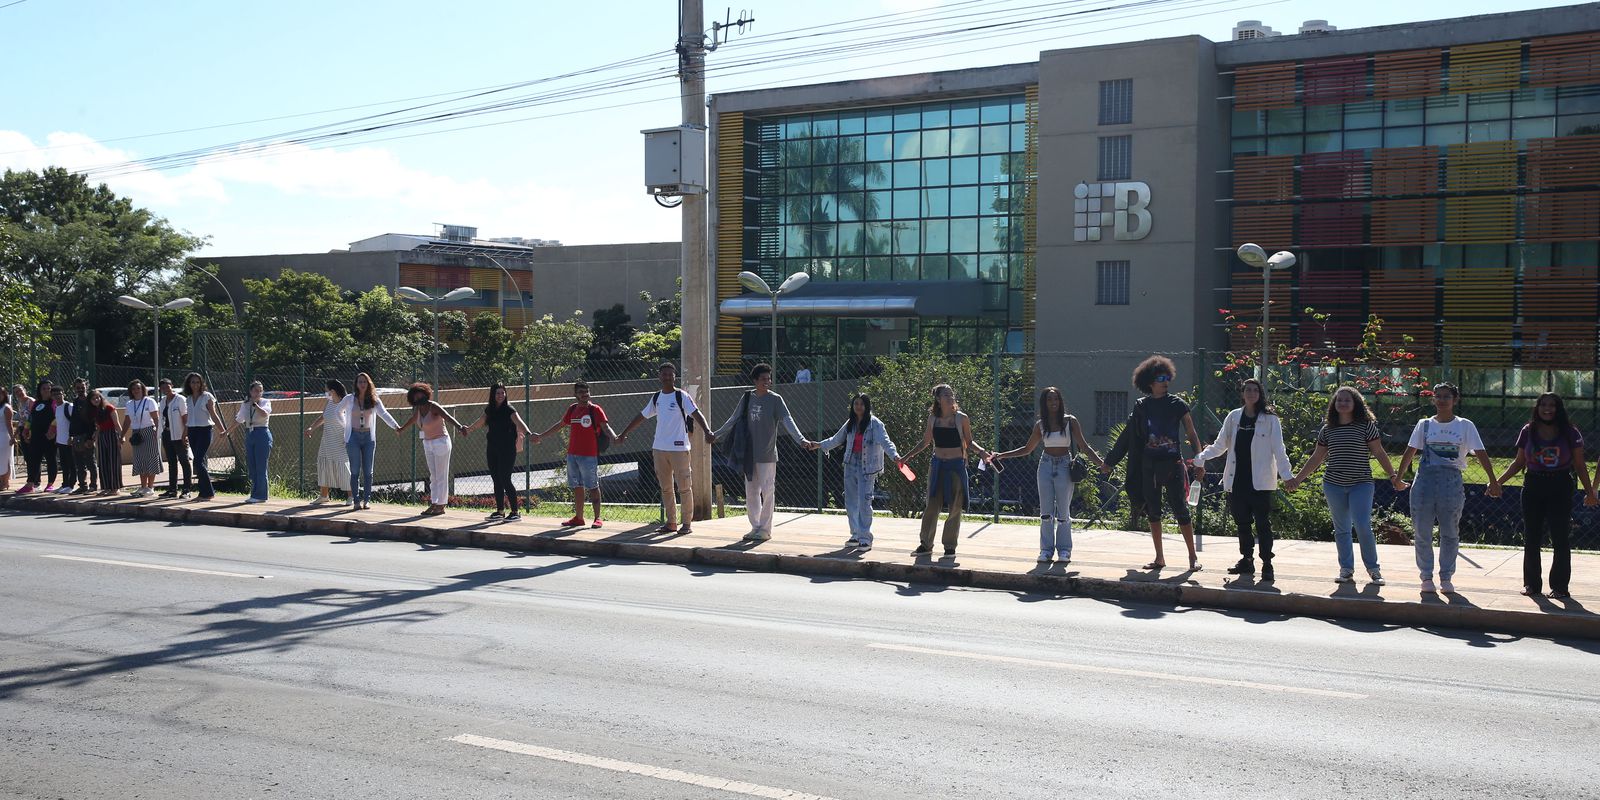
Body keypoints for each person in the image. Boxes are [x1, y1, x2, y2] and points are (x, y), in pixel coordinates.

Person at [1286, 387, 1403, 585]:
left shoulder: (1366, 426)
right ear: (1334, 404)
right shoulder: (1327, 429)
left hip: (1361, 483)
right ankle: (1346, 569)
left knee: (1362, 524)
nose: (1342, 403)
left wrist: (1393, 476)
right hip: (1333, 484)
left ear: (1355, 403)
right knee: (1342, 529)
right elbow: (1317, 457)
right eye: (1339, 400)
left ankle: (1374, 570)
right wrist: (1298, 478)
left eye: (1347, 400)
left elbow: (1379, 452)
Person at [1393, 383, 1499, 594]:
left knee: (1450, 531)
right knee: (1422, 531)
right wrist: (1399, 477)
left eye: (1446, 396)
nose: (1442, 400)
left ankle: (1446, 576)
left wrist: (1493, 480)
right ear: (1433, 399)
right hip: (1424, 482)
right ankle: (1426, 576)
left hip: (1451, 482)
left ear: (1455, 400)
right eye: (1438, 396)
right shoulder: (1424, 425)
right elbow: (1410, 450)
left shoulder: (1465, 425)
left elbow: (1480, 452)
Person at [1494, 392, 1596, 599]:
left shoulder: (1570, 432)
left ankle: (1559, 587)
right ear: (1537, 408)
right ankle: (1531, 584)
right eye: (1543, 405)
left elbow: (1580, 464)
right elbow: (1518, 462)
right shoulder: (1528, 430)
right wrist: (1497, 482)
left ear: (1559, 409)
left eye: (1552, 405)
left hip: (1560, 485)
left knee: (1560, 536)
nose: (1547, 409)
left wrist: (1589, 492)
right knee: (1531, 536)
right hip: (1534, 484)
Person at [992, 387, 1107, 565]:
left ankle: (1064, 550)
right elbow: (1027, 449)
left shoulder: (1070, 421)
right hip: (1045, 465)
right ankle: (1046, 551)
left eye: (1056, 399)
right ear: (1044, 404)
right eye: (1049, 400)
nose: (1053, 403)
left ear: (1060, 402)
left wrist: (1101, 463)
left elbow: (1084, 446)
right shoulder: (1040, 425)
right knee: (1046, 513)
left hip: (1064, 465)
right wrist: (1002, 455)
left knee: (1063, 512)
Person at [1194, 379, 1292, 580]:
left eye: (1255, 390)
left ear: (1260, 393)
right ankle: (1247, 560)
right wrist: (1201, 457)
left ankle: (1267, 563)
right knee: (1242, 523)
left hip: (1261, 482)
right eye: (1248, 390)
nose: (1251, 393)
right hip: (1237, 480)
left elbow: (1279, 450)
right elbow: (1220, 445)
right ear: (1242, 393)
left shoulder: (1270, 419)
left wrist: (1287, 475)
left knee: (1263, 524)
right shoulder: (1234, 417)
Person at [714, 363, 812, 542]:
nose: (767, 382)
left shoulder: (775, 399)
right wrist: (716, 434)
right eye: (763, 379)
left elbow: (787, 419)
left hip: (767, 454)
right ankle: (755, 527)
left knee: (768, 491)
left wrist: (801, 439)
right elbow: (734, 418)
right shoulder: (746, 398)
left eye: (769, 378)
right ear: (755, 381)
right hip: (748, 454)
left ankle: (765, 529)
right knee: (751, 492)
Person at [1124, 356, 1205, 572]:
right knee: (1153, 512)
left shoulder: (1178, 404)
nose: (1165, 381)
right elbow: (1131, 436)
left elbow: (1191, 433)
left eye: (1167, 377)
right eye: (1161, 378)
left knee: (1181, 510)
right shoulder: (1142, 406)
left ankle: (1192, 557)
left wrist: (1199, 459)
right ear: (1150, 382)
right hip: (1149, 465)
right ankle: (1159, 558)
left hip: (1173, 463)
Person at [617, 363, 715, 535]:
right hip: (659, 448)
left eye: (670, 374)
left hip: (679, 449)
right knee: (666, 488)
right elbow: (642, 416)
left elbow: (696, 413)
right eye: (664, 374)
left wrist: (707, 431)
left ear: (674, 376)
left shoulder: (681, 396)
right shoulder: (657, 398)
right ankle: (671, 522)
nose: (667, 377)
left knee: (684, 487)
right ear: (659, 377)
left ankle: (686, 524)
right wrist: (623, 433)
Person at [897, 383, 992, 559]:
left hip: (956, 466)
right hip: (937, 465)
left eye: (951, 394)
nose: (950, 397)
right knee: (932, 505)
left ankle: (949, 546)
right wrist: (906, 457)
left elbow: (969, 442)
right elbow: (925, 442)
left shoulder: (962, 418)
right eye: (946, 395)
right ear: (938, 400)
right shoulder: (933, 419)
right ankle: (925, 544)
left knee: (956, 507)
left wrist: (982, 452)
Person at [809, 393, 900, 551]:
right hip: (851, 464)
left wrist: (895, 456)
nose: (858, 407)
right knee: (851, 501)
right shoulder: (850, 423)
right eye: (856, 404)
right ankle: (855, 534)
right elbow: (837, 439)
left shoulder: (875, 424)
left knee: (865, 502)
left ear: (867, 406)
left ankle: (865, 537)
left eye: (862, 404)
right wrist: (818, 445)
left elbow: (886, 441)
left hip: (868, 467)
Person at [532, 381, 618, 528]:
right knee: (577, 486)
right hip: (572, 455)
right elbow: (560, 425)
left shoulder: (595, 410)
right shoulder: (572, 409)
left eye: (586, 391)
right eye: (581, 392)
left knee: (592, 486)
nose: (584, 394)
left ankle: (597, 518)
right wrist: (541, 436)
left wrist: (615, 437)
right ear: (575, 394)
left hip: (589, 455)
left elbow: (605, 426)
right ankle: (579, 518)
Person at [394, 382, 466, 516]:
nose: (418, 397)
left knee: (441, 475)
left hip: (441, 442)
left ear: (425, 393)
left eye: (420, 394)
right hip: (428, 443)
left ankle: (441, 505)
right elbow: (412, 419)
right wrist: (401, 429)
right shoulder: (418, 410)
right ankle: (434, 503)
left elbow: (447, 417)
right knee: (433, 476)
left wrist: (460, 427)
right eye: (415, 395)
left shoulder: (434, 406)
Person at [464, 383, 532, 521]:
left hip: (507, 449)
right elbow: (480, 422)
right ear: (493, 395)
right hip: (492, 447)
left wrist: (530, 434)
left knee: (505, 478)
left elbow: (519, 422)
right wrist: (468, 429)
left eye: (502, 393)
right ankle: (500, 511)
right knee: (496, 478)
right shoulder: (490, 409)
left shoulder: (509, 409)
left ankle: (515, 512)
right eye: (497, 393)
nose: (500, 395)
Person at [338, 372, 399, 510]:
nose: (362, 384)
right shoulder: (349, 399)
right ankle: (356, 501)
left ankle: (367, 500)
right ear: (356, 384)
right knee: (354, 470)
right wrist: (346, 425)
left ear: (369, 383)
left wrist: (396, 426)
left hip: (368, 437)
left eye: (364, 381)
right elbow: (338, 411)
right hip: (353, 436)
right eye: (360, 381)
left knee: (368, 471)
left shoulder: (374, 399)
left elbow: (384, 414)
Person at [182, 373, 229, 501]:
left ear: (201, 383)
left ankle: (208, 492)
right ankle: (203, 492)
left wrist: (222, 430)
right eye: (192, 382)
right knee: (198, 462)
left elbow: (213, 415)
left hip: (205, 431)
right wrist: (185, 433)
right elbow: (189, 418)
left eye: (197, 382)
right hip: (192, 431)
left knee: (198, 461)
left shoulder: (207, 397)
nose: (195, 385)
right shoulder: (189, 398)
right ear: (189, 384)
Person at [304, 380, 352, 505]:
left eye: (326, 390)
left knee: (343, 467)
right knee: (323, 465)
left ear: (333, 391)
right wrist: (311, 428)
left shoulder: (345, 403)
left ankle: (352, 496)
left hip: (341, 441)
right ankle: (324, 496)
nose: (325, 393)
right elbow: (323, 417)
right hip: (327, 441)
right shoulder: (329, 402)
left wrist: (348, 438)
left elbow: (350, 423)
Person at [122, 379, 163, 497]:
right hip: (136, 433)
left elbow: (156, 418)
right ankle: (143, 486)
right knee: (140, 459)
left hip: (150, 431)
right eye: (133, 389)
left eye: (138, 388)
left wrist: (157, 432)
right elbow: (127, 420)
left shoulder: (149, 401)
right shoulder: (129, 404)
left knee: (151, 458)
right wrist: (122, 435)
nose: (136, 391)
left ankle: (150, 487)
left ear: (143, 389)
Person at [235, 381, 273, 504]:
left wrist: (255, 405)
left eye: (260, 390)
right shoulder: (245, 404)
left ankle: (261, 495)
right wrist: (226, 431)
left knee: (261, 466)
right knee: (252, 466)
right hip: (250, 433)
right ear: (250, 392)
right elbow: (239, 419)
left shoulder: (265, 402)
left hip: (262, 433)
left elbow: (265, 414)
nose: (258, 393)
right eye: (255, 390)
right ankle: (255, 494)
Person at [157, 378, 191, 499]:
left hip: (179, 435)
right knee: (172, 462)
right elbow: (161, 418)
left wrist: (185, 435)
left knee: (184, 461)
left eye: (167, 386)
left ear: (172, 386)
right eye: (163, 387)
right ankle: (172, 489)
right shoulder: (162, 401)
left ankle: (186, 490)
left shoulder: (180, 399)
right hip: (167, 435)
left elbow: (186, 418)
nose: (165, 389)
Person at [23, 380, 57, 494]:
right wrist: (26, 430)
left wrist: (52, 431)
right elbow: (31, 418)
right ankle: (30, 484)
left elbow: (57, 418)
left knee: (50, 459)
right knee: (33, 460)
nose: (47, 390)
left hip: (49, 437)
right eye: (44, 388)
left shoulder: (54, 403)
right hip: (36, 436)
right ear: (40, 390)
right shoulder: (36, 403)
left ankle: (50, 484)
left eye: (49, 388)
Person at [89, 390, 122, 496]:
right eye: (93, 399)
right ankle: (106, 487)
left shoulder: (109, 408)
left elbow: (117, 424)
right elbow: (98, 426)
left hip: (112, 434)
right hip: (102, 435)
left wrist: (122, 437)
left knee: (113, 462)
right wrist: (96, 435)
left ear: (101, 397)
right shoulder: (94, 411)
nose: (96, 400)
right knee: (103, 462)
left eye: (97, 397)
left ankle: (115, 487)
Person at [68, 379, 98, 494]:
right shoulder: (75, 401)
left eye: (82, 387)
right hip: (76, 436)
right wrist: (71, 435)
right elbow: (73, 420)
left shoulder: (91, 401)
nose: (80, 389)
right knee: (79, 463)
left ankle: (93, 485)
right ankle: (82, 485)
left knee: (90, 462)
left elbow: (94, 422)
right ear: (75, 388)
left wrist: (90, 438)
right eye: (78, 387)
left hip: (87, 436)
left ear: (86, 387)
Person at [50, 385, 75, 495]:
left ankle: (71, 485)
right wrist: (57, 438)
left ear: (63, 394)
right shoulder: (57, 408)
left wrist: (71, 436)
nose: (57, 396)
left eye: (59, 393)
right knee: (64, 464)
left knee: (71, 464)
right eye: (54, 394)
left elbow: (74, 422)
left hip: (69, 440)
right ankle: (65, 484)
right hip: (60, 441)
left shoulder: (68, 406)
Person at [0, 391, 12, 492]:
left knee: (4, 459)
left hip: (3, 436)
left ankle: (5, 482)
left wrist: (12, 437)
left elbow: (9, 424)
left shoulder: (6, 407)